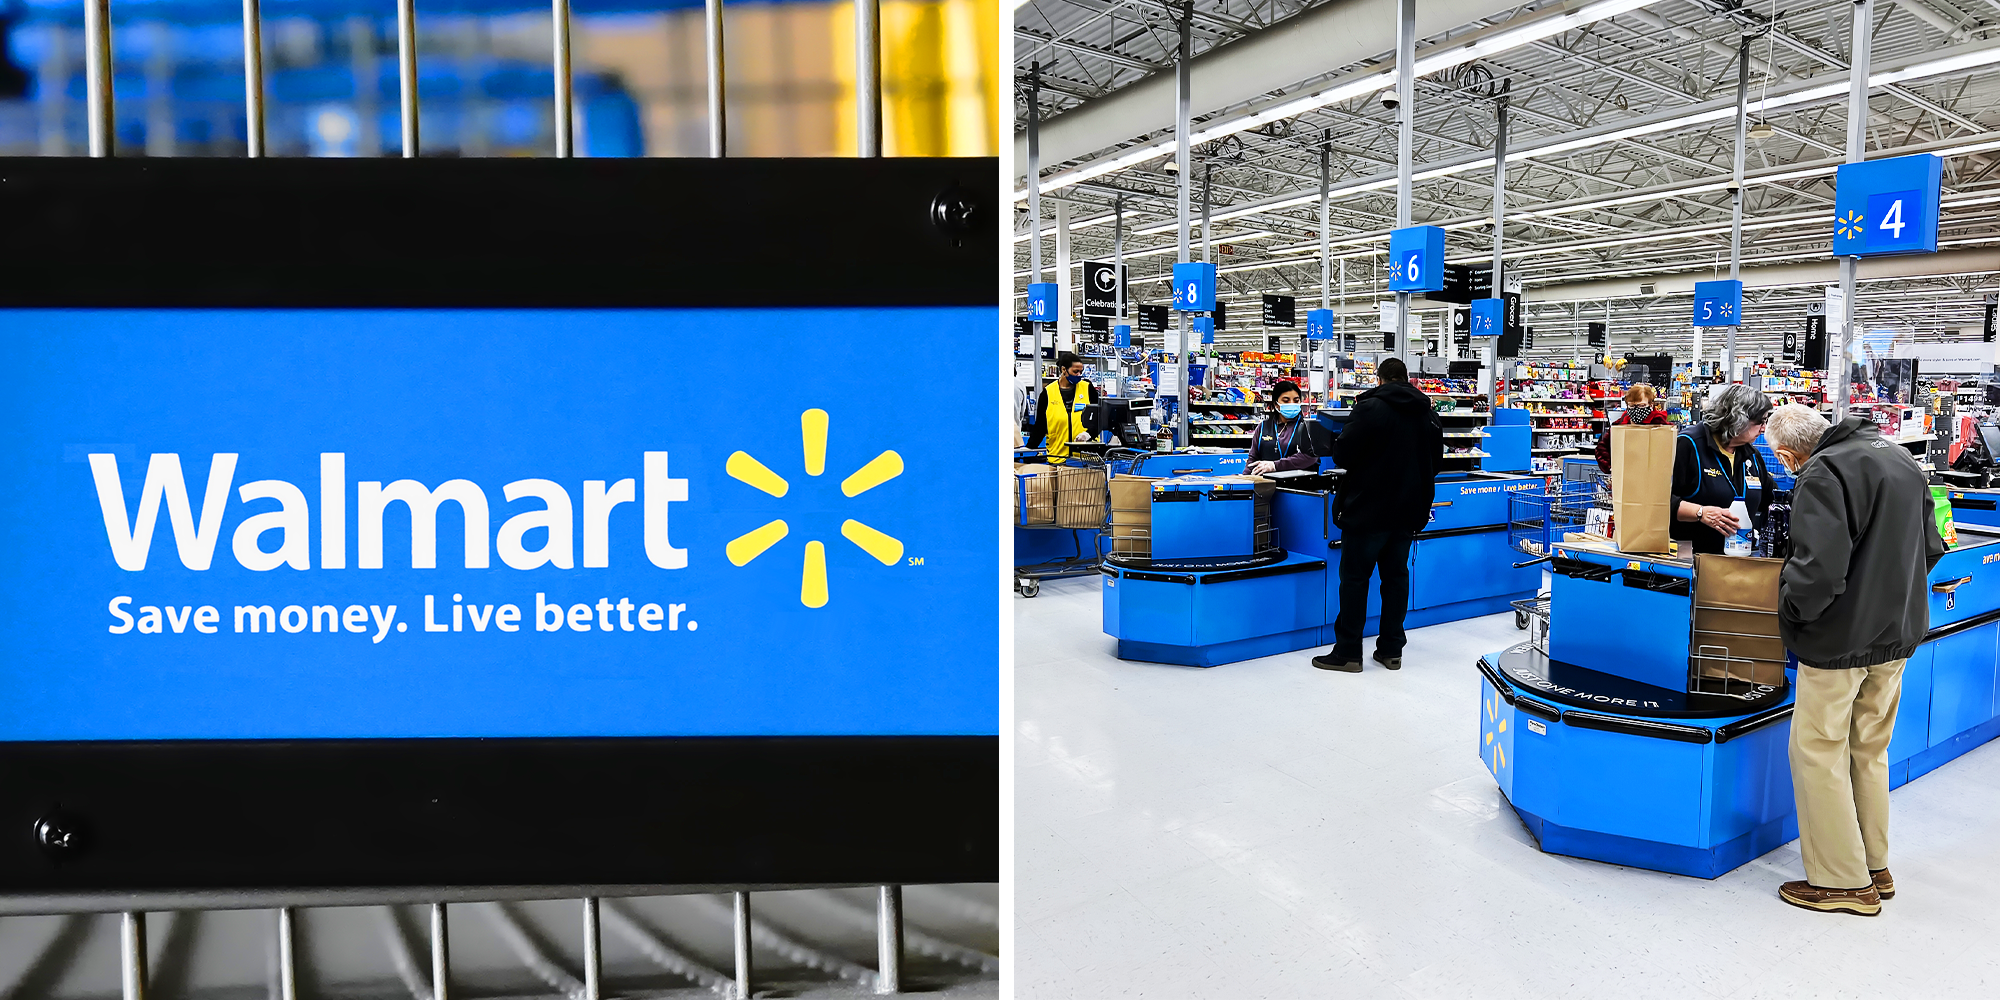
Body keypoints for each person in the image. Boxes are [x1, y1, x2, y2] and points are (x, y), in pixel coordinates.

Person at [1765, 403, 1946, 916]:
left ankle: (1842, 883)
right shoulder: (1897, 455)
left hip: (1839, 641)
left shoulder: (1824, 471)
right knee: (1868, 749)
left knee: (1817, 752)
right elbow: (1931, 547)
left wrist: (1794, 614)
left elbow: (1817, 571)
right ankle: (1874, 866)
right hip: (1898, 634)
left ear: (1787, 455)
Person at [1310, 357, 1443, 673]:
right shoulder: (1428, 414)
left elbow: (1343, 454)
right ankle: (1391, 650)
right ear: (1406, 379)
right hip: (1408, 512)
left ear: (1380, 379)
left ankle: (1348, 652)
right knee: (1395, 579)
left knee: (1355, 580)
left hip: (1367, 510)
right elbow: (1435, 463)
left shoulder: (1369, 408)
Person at [1669, 383, 1773, 554]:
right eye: (1760, 422)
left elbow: (1769, 499)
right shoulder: (1688, 445)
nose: (1763, 429)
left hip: (1739, 561)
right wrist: (1700, 512)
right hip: (1693, 561)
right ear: (1739, 418)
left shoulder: (1751, 455)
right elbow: (1659, 501)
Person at [1026, 352, 1095, 464]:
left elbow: (1100, 418)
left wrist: (1089, 434)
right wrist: (1028, 450)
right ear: (1064, 370)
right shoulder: (1048, 393)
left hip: (1085, 459)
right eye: (1075, 371)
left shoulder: (1087, 388)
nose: (1079, 375)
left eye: (1080, 372)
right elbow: (1040, 426)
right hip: (1057, 457)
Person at [1595, 383, 1675, 472]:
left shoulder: (1661, 425)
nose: (1637, 410)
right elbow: (1602, 447)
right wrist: (1610, 467)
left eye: (1641, 406)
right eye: (1632, 406)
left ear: (1651, 405)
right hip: (1625, 477)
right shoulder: (1620, 424)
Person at [1247, 380, 1321, 475]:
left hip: (1299, 486)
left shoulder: (1308, 427)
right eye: (1286, 401)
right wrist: (1245, 480)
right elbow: (1253, 458)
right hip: (1266, 486)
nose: (1292, 404)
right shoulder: (1263, 427)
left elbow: (1309, 457)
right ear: (1276, 404)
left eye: (1296, 400)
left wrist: (1275, 466)